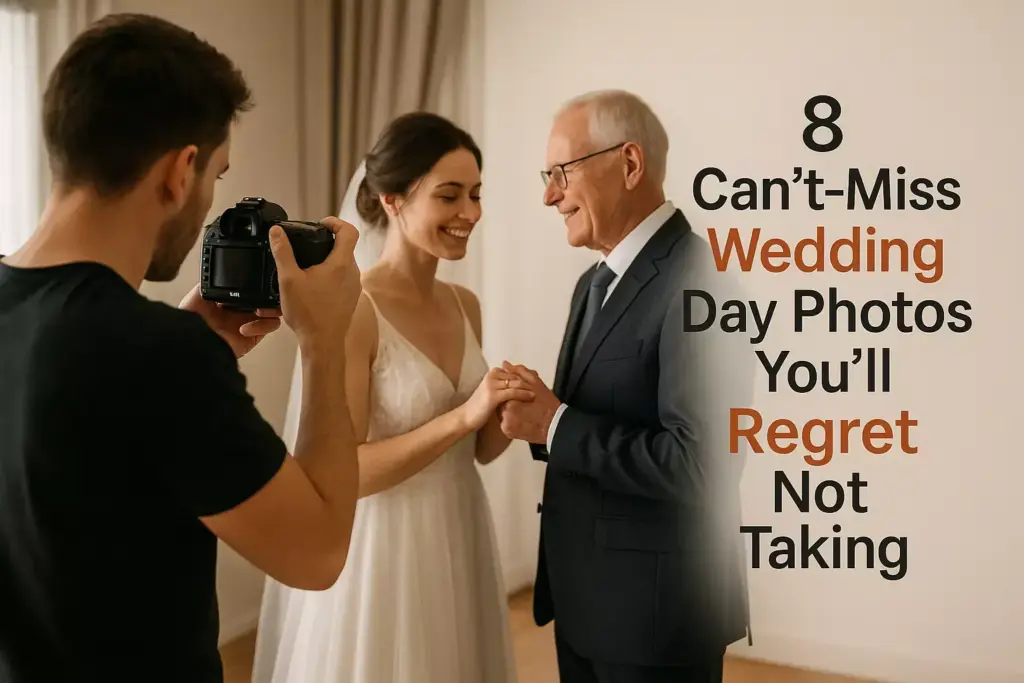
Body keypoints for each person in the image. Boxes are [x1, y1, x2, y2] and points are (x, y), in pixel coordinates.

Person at [0, 14, 364, 683]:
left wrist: (191, 346)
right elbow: (317, 553)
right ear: (180, 170)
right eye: (215, 176)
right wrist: (325, 341)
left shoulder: (132, 344)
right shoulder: (158, 357)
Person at [251, 112, 528, 683]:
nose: (470, 213)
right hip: (384, 552)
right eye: (450, 195)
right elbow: (344, 469)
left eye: (476, 194)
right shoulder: (356, 309)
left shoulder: (465, 304)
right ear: (393, 200)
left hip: (459, 528)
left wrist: (505, 411)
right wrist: (463, 418)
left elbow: (476, 451)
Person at [499, 90, 754, 683]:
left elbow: (702, 465)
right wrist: (534, 419)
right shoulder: (591, 282)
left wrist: (555, 424)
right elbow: (587, 419)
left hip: (656, 624)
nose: (548, 194)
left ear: (630, 165)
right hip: (585, 607)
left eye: (561, 173)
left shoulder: (704, 282)